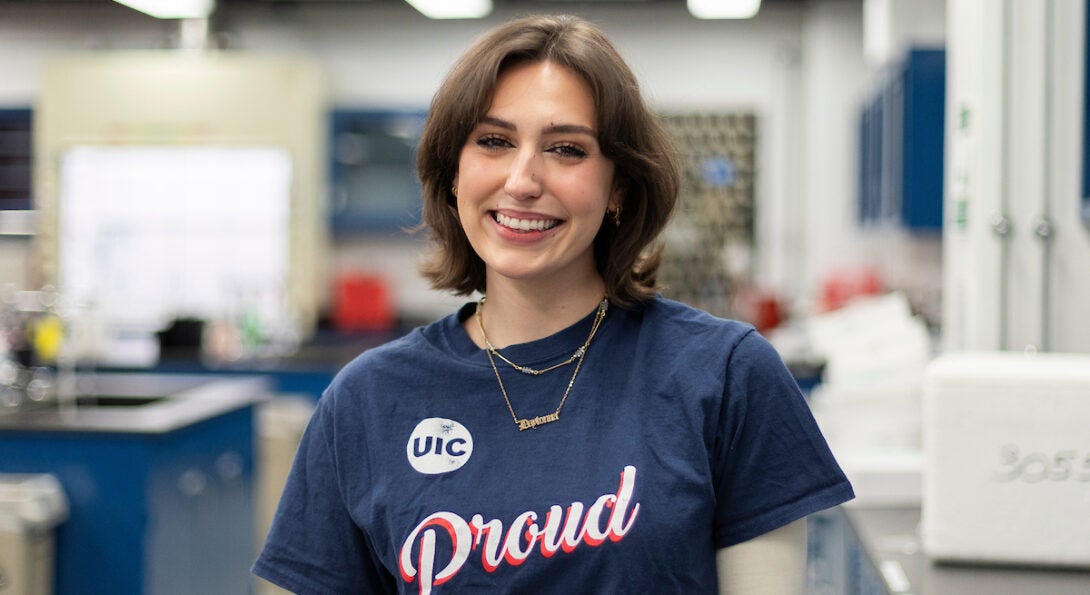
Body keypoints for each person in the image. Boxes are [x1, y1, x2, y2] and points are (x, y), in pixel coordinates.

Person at [253, 14, 853, 594]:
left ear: (618, 186)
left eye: (566, 149)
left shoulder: (724, 376)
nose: (521, 179)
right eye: (492, 141)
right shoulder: (366, 401)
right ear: (454, 173)